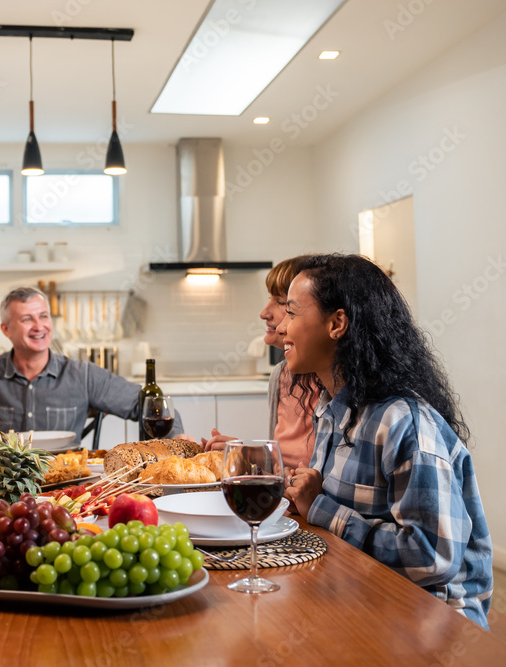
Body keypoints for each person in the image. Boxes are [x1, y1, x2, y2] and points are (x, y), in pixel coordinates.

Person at [280, 253, 492, 628]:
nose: (282, 327)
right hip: (362, 597)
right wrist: (307, 496)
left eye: (293, 313)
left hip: (433, 622)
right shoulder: (333, 410)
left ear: (337, 323)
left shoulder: (402, 422)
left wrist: (320, 508)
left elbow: (431, 558)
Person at [0, 286, 183, 441]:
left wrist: (177, 441)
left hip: (67, 493)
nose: (39, 326)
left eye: (44, 316)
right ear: (6, 330)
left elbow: (150, 406)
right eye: (27, 319)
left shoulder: (82, 375)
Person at [203, 256, 320, 469]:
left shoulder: (330, 383)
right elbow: (278, 464)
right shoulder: (281, 375)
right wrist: (244, 452)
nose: (264, 313)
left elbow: (320, 474)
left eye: (281, 303)